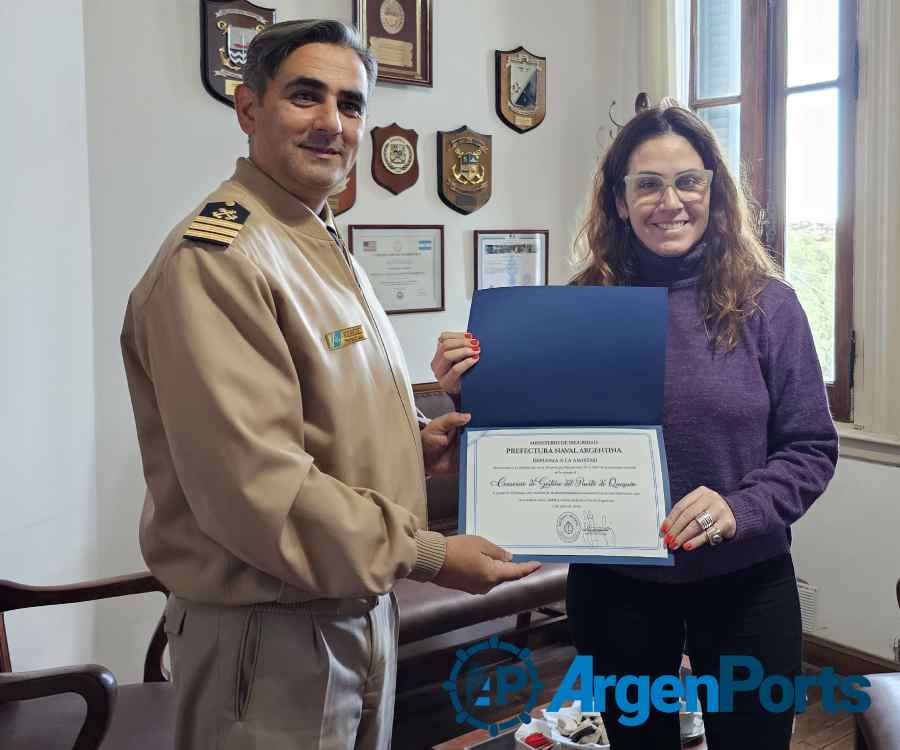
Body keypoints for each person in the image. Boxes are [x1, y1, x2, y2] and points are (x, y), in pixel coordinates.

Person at [121, 19, 538, 750]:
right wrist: (433, 555)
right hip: (269, 633)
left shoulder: (312, 239)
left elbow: (325, 412)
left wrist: (414, 446)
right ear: (249, 109)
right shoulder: (221, 261)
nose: (331, 124)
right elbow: (259, 485)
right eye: (305, 97)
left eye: (350, 105)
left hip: (350, 607)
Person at [432, 105, 838, 749]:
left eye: (688, 182)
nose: (668, 202)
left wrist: (742, 507)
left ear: (714, 192)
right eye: (647, 184)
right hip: (617, 589)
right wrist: (474, 392)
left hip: (746, 586)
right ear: (619, 201)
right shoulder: (577, 308)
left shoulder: (769, 305)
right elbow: (542, 436)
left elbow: (812, 447)